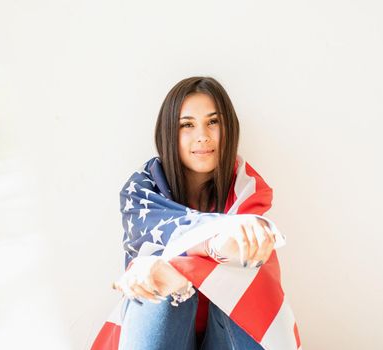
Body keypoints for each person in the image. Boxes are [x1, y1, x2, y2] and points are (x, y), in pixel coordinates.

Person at [98, 76, 301, 350]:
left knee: (250, 268)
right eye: (187, 125)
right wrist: (176, 274)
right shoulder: (140, 192)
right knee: (156, 284)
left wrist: (179, 264)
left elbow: (242, 247)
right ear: (169, 133)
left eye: (213, 122)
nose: (202, 135)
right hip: (168, 330)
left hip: (225, 335)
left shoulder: (247, 190)